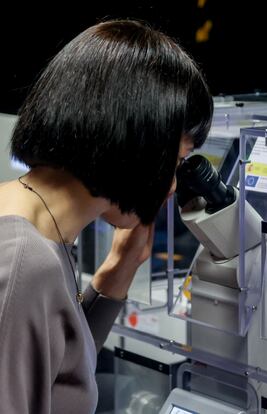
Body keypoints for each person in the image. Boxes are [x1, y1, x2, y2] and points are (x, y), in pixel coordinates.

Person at [0, 19, 213, 414]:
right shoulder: (23, 262)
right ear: (140, 142)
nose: (171, 186)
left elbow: (56, 373)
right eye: (177, 160)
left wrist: (119, 269)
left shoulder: (33, 227)